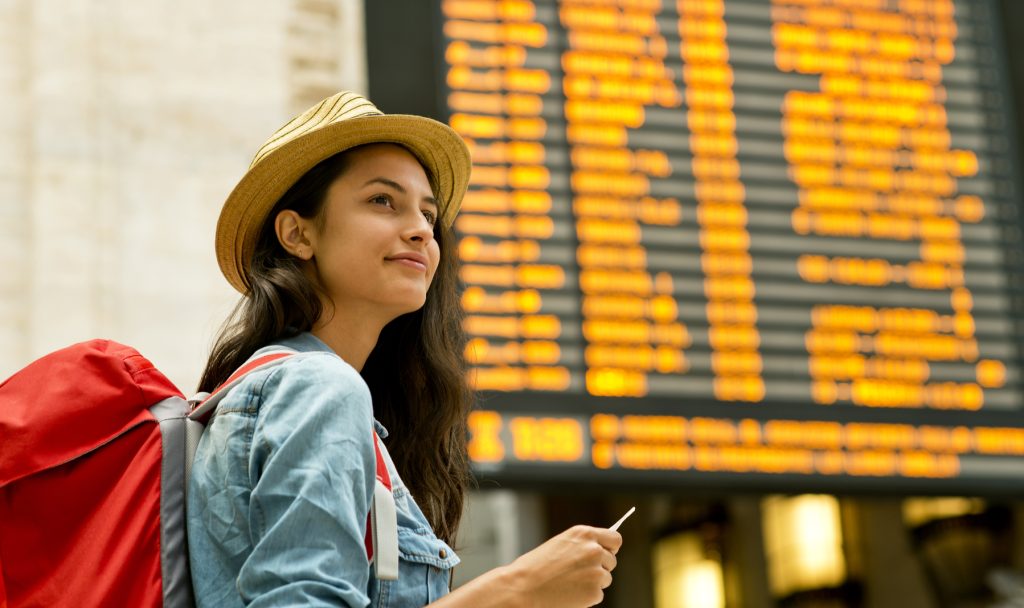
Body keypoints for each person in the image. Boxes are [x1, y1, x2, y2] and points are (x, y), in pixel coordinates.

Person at [187, 90, 622, 607]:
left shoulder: (279, 389)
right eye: (382, 201)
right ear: (297, 234)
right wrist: (517, 589)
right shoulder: (319, 387)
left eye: (428, 214)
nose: (420, 230)